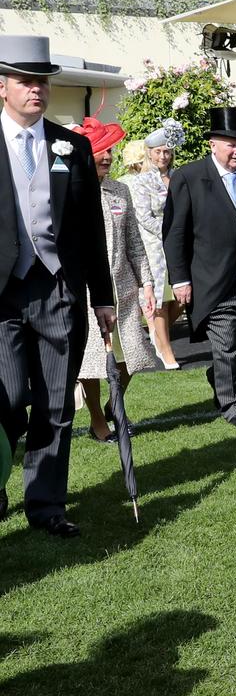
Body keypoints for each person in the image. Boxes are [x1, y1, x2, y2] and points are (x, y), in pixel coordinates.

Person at [0, 35, 115, 534]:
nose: (36, 90)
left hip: (58, 291)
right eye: (26, 81)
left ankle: (46, 507)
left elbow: (92, 227)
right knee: (3, 401)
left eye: (42, 82)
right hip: (2, 295)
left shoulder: (73, 145)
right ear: (3, 87)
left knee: (54, 404)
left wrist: (104, 298)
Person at [162, 107, 236, 429]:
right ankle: (234, 406)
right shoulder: (188, 178)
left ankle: (219, 374)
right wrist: (180, 278)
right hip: (211, 280)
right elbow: (174, 234)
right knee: (226, 341)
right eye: (230, 143)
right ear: (212, 144)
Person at [72, 118, 157, 443]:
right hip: (86, 290)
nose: (107, 156)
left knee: (133, 354)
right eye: (99, 150)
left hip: (122, 287)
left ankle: (113, 403)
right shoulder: (71, 189)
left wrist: (146, 283)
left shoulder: (120, 189)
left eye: (109, 149)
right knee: (92, 360)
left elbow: (135, 240)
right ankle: (97, 420)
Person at [127, 119, 185, 370]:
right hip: (155, 244)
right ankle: (165, 348)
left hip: (180, 242)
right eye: (158, 151)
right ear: (149, 153)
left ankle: (158, 335)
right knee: (160, 299)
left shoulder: (179, 176)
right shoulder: (141, 181)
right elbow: (144, 217)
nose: (163, 156)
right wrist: (170, 233)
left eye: (167, 151)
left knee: (182, 297)